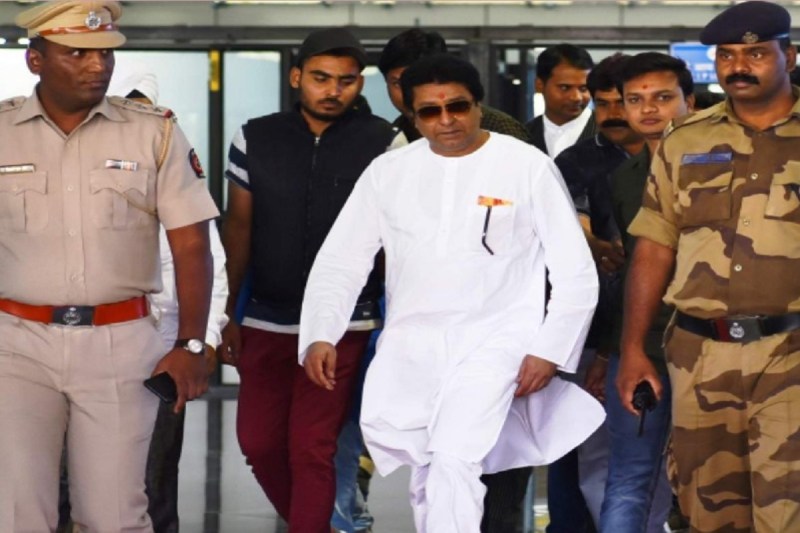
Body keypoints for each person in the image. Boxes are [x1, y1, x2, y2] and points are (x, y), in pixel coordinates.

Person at [299, 54, 603, 533]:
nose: (446, 120)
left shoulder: (526, 166)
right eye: (430, 111)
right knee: (428, 470)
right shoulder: (388, 172)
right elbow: (342, 260)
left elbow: (575, 271)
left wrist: (550, 349)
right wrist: (321, 332)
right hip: (412, 346)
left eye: (457, 106)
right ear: (412, 115)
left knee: (455, 458)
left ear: (478, 106)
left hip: (498, 341)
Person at [0, 1, 219, 532]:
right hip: (16, 345)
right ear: (35, 60)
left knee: (115, 515)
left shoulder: (154, 132)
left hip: (120, 343)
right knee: (17, 512)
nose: (97, 65)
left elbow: (192, 245)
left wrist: (192, 344)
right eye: (77, 53)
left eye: (105, 54)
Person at [620, 2, 800, 531]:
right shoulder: (685, 140)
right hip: (699, 356)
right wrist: (633, 348)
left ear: (789, 56)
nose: (738, 66)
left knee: (787, 510)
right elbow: (655, 246)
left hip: (791, 353)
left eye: (755, 54)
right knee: (707, 513)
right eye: (726, 55)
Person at [220, 28, 399, 533]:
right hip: (265, 317)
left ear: (360, 83)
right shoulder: (256, 137)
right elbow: (239, 228)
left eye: (346, 80)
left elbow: (396, 241)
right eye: (321, 78)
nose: (333, 90)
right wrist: (226, 313)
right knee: (258, 443)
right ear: (297, 77)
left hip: (346, 324)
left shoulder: (385, 142)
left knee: (312, 447)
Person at [378, 28, 533, 533]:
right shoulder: (388, 143)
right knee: (428, 452)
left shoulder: (503, 135)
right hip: (411, 321)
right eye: (399, 83)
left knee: (490, 459)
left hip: (497, 322)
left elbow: (533, 237)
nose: (440, 116)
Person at [111, 71, 230, 533]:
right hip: (79, 351)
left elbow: (210, 266)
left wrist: (201, 343)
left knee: (154, 479)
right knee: (64, 482)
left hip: (161, 354)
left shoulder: (177, 177)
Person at [550, 53, 644, 532]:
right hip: (592, 327)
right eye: (602, 103)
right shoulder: (576, 160)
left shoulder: (675, 155)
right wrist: (594, 244)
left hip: (666, 327)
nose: (611, 114)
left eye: (620, 102)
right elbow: (571, 224)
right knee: (592, 453)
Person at [602, 52, 695, 533]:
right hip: (644, 343)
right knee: (631, 475)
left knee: (710, 482)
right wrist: (618, 349)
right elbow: (635, 267)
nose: (649, 109)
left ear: (689, 101)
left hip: (710, 341)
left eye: (662, 97)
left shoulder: (720, 165)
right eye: (635, 100)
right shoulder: (624, 177)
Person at [379, 28, 531, 144]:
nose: (408, 93)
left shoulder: (500, 128)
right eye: (397, 83)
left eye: (418, 82)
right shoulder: (390, 136)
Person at [525, 44, 595, 156]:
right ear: (539, 85)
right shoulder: (522, 136)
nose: (577, 97)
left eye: (583, 88)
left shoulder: (610, 134)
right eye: (565, 88)